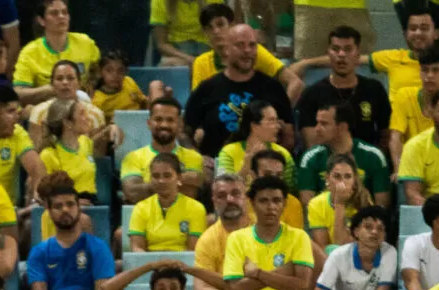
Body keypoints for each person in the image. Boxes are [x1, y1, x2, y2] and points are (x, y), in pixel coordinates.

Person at [185, 24, 293, 159]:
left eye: (252, 45)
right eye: (240, 45)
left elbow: (289, 137)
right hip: (217, 171)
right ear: (226, 50)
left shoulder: (273, 88)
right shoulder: (206, 89)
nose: (247, 50)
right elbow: (184, 133)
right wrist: (197, 158)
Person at [296, 26, 390, 150]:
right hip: (326, 164)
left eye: (348, 49)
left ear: (358, 54)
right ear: (328, 53)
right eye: (335, 49)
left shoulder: (374, 89)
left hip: (365, 162)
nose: (341, 55)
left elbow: (386, 134)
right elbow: (311, 144)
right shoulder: (312, 94)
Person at [26, 178, 115, 290]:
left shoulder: (99, 247)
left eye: (70, 204)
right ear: (49, 212)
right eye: (58, 206)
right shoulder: (39, 252)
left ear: (79, 207)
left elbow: (103, 289)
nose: (65, 210)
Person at [129, 154, 207, 252]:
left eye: (167, 175)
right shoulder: (140, 208)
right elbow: (137, 248)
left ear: (179, 178)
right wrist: (153, 265)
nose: (161, 181)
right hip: (149, 264)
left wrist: (173, 265)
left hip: (183, 265)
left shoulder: (196, 208)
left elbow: (193, 250)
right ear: (150, 179)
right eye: (156, 176)